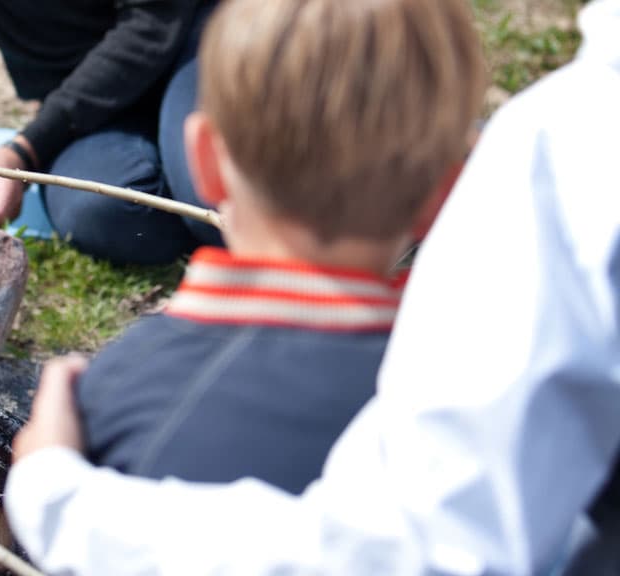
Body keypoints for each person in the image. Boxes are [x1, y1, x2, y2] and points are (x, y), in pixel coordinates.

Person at [4, 0, 620, 573]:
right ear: (445, 196)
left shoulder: (103, 397)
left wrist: (52, 494)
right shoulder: (467, 380)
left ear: (208, 163)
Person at [72, 0, 481, 492]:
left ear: (204, 161)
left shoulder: (118, 389)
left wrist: (46, 478)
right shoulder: (481, 399)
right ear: (448, 194)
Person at [0, 0, 223, 265]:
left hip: (194, 39)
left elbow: (155, 23)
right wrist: (24, 153)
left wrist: (27, 147)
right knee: (102, 213)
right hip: (102, 104)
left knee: (215, 195)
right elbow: (48, 84)